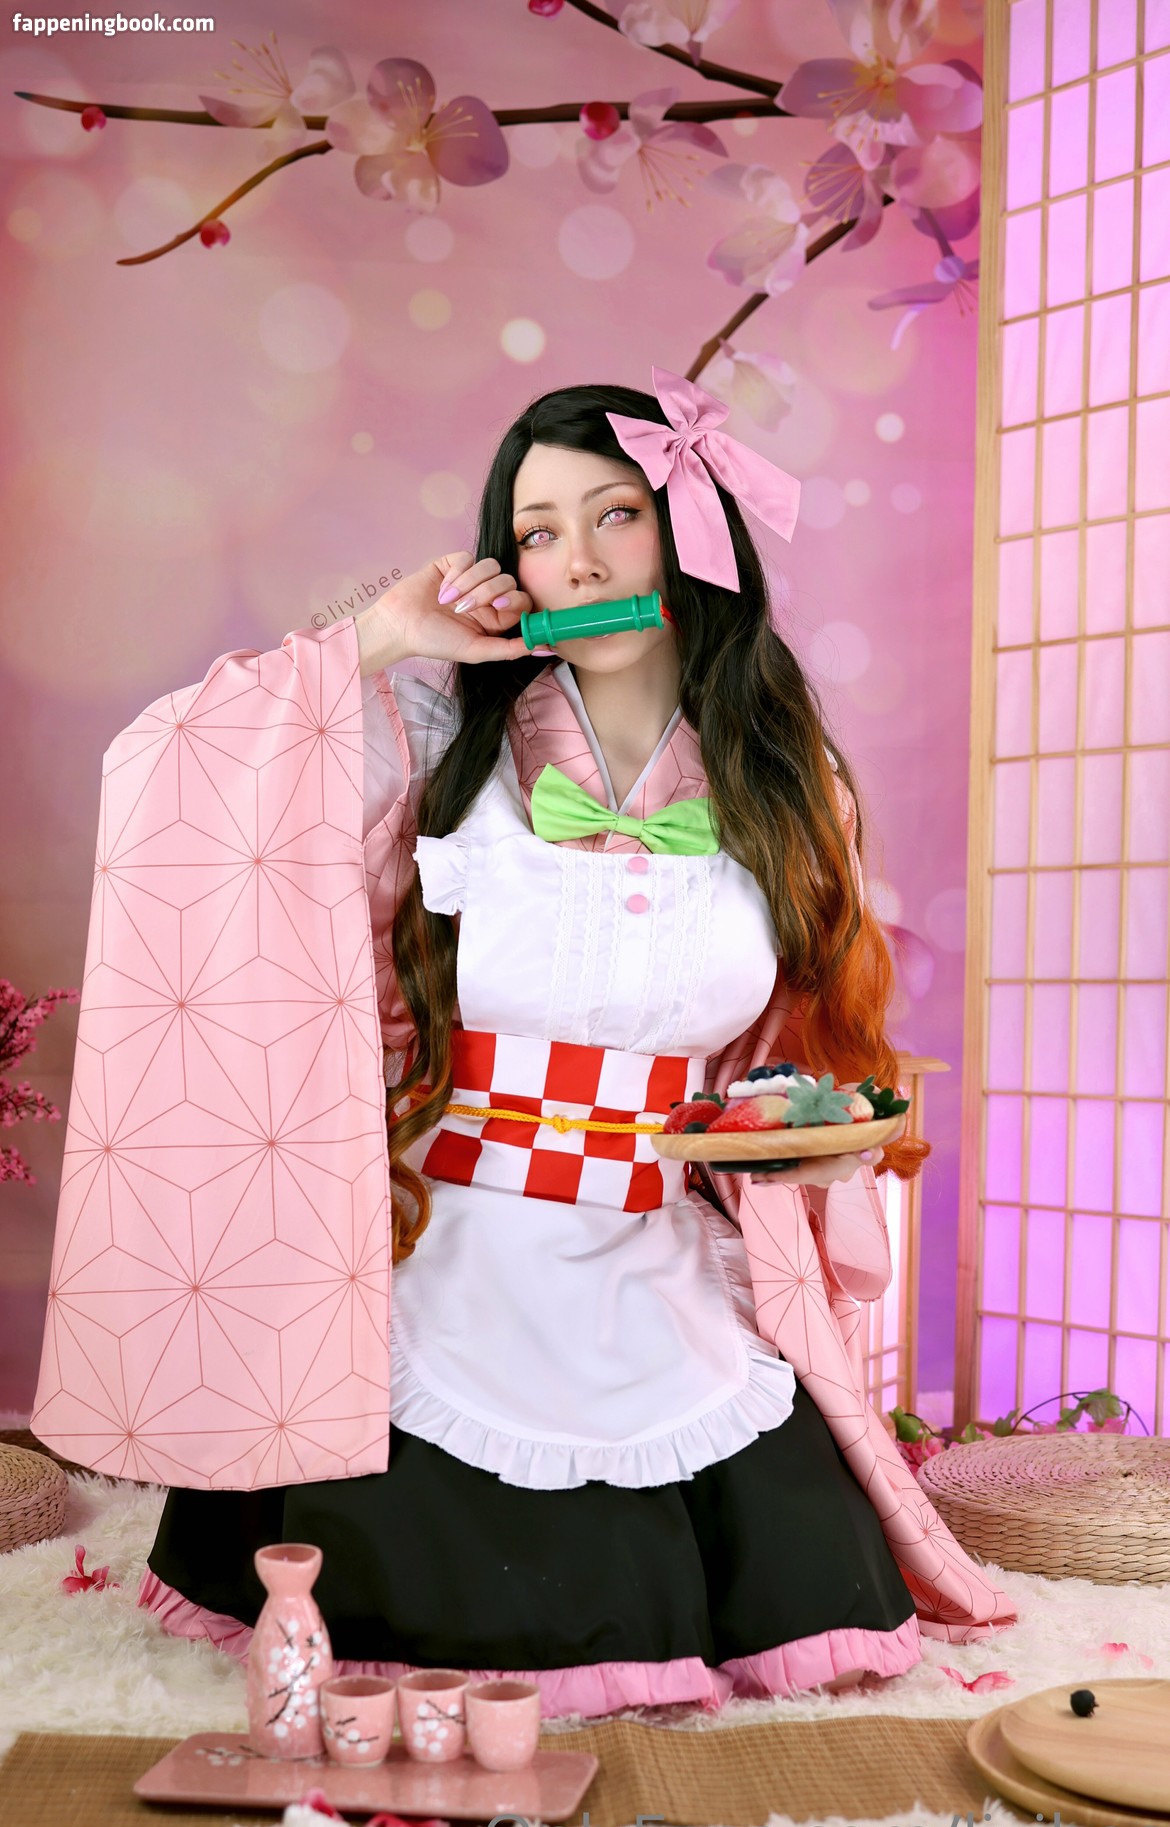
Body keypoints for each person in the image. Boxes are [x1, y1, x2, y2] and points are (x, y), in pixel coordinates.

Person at [31, 368, 1015, 1718]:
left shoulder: (791, 782)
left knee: (807, 1574)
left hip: (659, 1239)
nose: (577, 562)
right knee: (472, 1584)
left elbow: (791, 1052)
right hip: (452, 1236)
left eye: (614, 515)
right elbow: (175, 770)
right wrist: (377, 638)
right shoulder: (433, 737)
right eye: (538, 531)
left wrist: (806, 1139)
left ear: (692, 535)